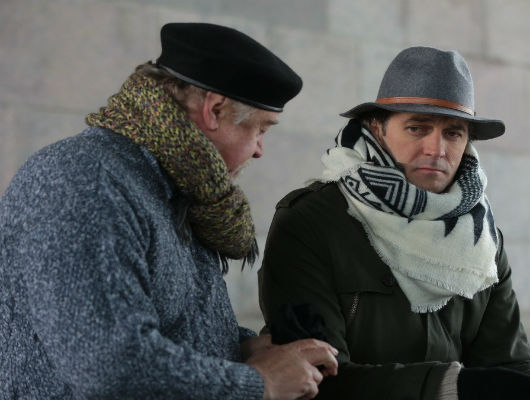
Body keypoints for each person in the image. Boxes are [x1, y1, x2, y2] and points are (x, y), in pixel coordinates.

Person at [0, 22, 338, 400]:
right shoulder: (86, 181)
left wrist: (245, 347)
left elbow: (168, 325)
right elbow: (109, 367)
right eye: (260, 130)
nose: (260, 150)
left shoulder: (179, 183)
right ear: (214, 110)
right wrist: (261, 383)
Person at [258, 47, 530, 399]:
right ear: (377, 129)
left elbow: (508, 362)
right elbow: (317, 381)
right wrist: (455, 387)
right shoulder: (311, 222)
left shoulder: (481, 237)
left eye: (453, 133)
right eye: (417, 128)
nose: (437, 149)